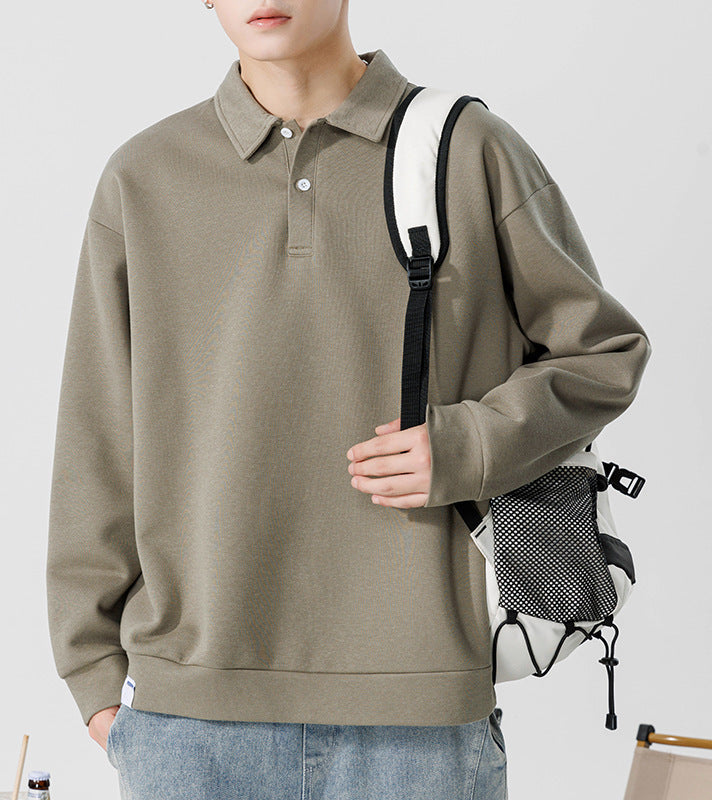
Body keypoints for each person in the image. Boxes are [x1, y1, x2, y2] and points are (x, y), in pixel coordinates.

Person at [46, 1, 652, 798]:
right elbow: (97, 433)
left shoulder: (467, 150)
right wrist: (92, 673)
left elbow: (602, 351)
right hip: (187, 720)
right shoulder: (146, 176)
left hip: (421, 717)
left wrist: (470, 445)